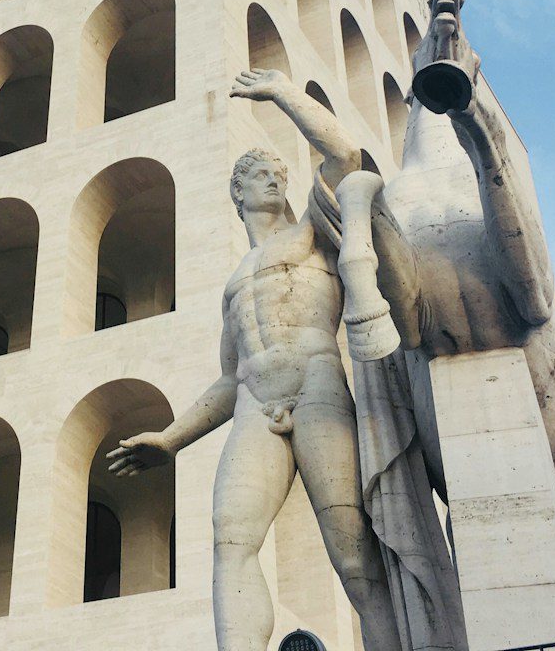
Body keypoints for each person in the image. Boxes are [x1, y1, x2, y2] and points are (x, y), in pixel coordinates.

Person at [107, 68, 403, 651]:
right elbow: (228, 380)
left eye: (277, 173)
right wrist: (170, 438)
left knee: (352, 550)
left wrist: (282, 95)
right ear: (237, 193)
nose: (271, 180)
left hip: (317, 391)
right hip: (254, 405)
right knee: (231, 538)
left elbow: (347, 154)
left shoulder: (312, 234)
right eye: (258, 175)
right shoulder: (234, 280)